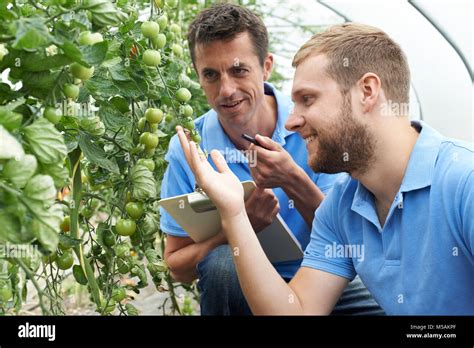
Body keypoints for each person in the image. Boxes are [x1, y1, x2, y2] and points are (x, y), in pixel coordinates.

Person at [175, 22, 474, 315]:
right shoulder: (343, 206)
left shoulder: (464, 183)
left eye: (308, 99)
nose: (291, 122)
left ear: (367, 92)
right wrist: (236, 214)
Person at [160, 5, 382, 315]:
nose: (226, 90)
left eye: (239, 70)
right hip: (242, 287)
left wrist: (293, 179)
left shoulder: (311, 123)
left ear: (266, 67)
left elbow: (349, 241)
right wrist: (237, 227)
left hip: (320, 277)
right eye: (211, 75)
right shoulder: (189, 149)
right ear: (198, 76)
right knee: (224, 264)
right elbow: (178, 267)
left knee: (388, 298)